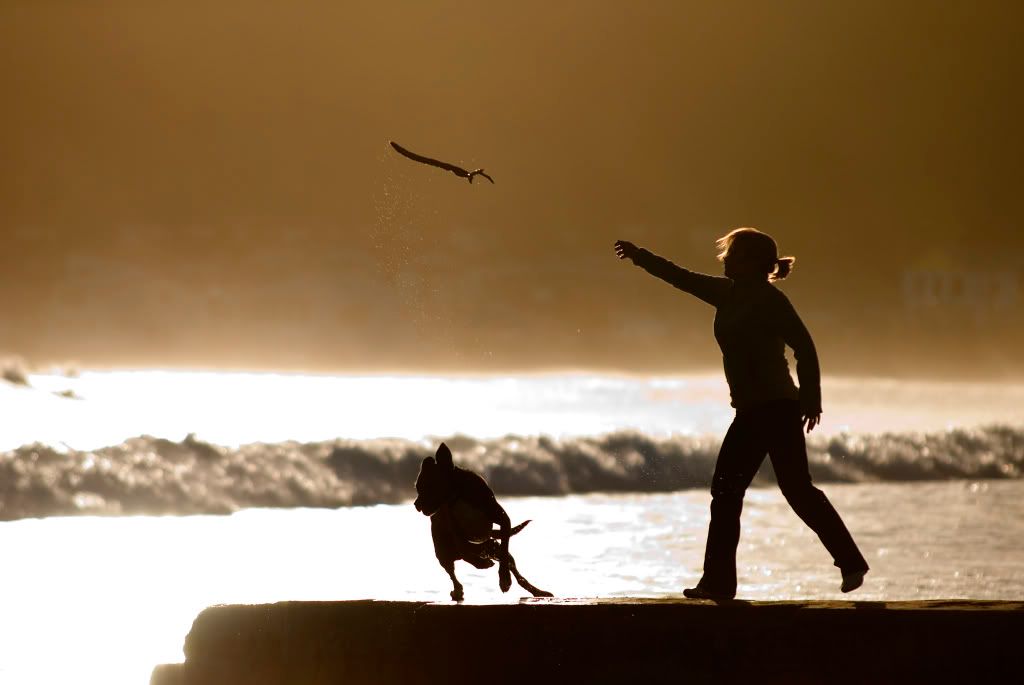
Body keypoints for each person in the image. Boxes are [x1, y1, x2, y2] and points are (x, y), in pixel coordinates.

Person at [614, 228, 869, 600]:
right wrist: (639, 256)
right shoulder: (725, 293)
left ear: (752, 262)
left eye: (733, 255)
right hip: (752, 410)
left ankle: (848, 562)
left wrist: (811, 398)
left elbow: (805, 348)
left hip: (777, 408)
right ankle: (721, 582)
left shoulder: (771, 301)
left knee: (781, 491)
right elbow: (678, 277)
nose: (725, 260)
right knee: (734, 493)